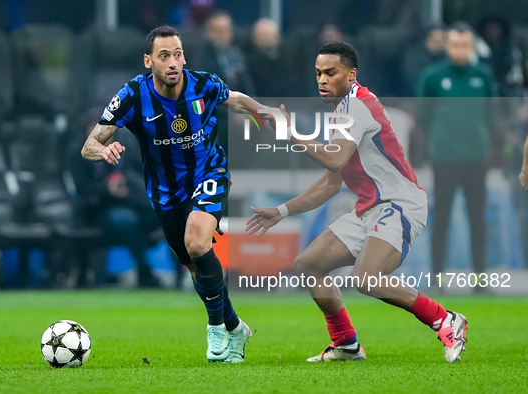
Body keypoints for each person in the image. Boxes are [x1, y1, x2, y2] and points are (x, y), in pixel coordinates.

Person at [246, 41, 468, 363]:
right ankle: (346, 344)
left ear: (351, 75)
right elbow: (330, 183)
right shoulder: (342, 110)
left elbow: (334, 161)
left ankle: (445, 319)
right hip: (370, 207)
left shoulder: (357, 107)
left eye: (330, 73)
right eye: (318, 73)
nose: (321, 80)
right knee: (309, 265)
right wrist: (280, 211)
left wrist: (291, 133)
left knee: (367, 279)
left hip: (399, 204)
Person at [81, 25, 271, 363]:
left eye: (178, 54)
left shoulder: (203, 84)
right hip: (166, 193)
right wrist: (103, 151)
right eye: (164, 55)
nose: (173, 62)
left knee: (198, 243)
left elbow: (235, 100)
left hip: (209, 173)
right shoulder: (132, 95)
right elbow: (90, 144)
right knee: (197, 268)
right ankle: (234, 326)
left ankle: (215, 329)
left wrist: (265, 113)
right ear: (148, 60)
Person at [416, 22, 496, 279]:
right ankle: (437, 275)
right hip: (445, 158)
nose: (460, 50)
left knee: (477, 217)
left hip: (475, 157)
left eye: (465, 45)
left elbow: (491, 114)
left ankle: (480, 276)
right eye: (455, 45)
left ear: (471, 46)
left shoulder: (482, 76)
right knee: (441, 217)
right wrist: (439, 140)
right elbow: (423, 116)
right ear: (447, 46)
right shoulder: (433, 76)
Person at [69, 114, 162, 288]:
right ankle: (144, 270)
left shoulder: (124, 150)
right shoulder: (79, 153)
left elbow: (139, 176)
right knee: (126, 220)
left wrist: (127, 187)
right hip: (97, 209)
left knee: (165, 212)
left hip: (130, 202)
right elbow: (83, 189)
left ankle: (188, 272)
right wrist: (107, 189)